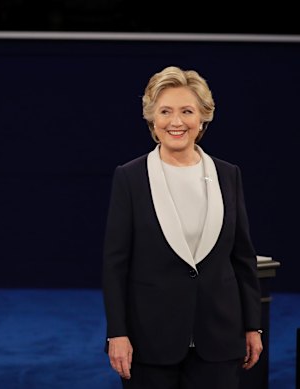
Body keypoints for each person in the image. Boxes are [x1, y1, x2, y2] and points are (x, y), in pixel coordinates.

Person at [101, 65, 263, 389]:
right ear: (152, 118)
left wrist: (252, 326)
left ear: (203, 117)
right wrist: (117, 333)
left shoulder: (228, 174)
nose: (176, 122)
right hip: (150, 341)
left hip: (219, 340)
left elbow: (242, 258)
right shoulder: (130, 178)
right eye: (165, 111)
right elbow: (115, 264)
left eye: (187, 111)